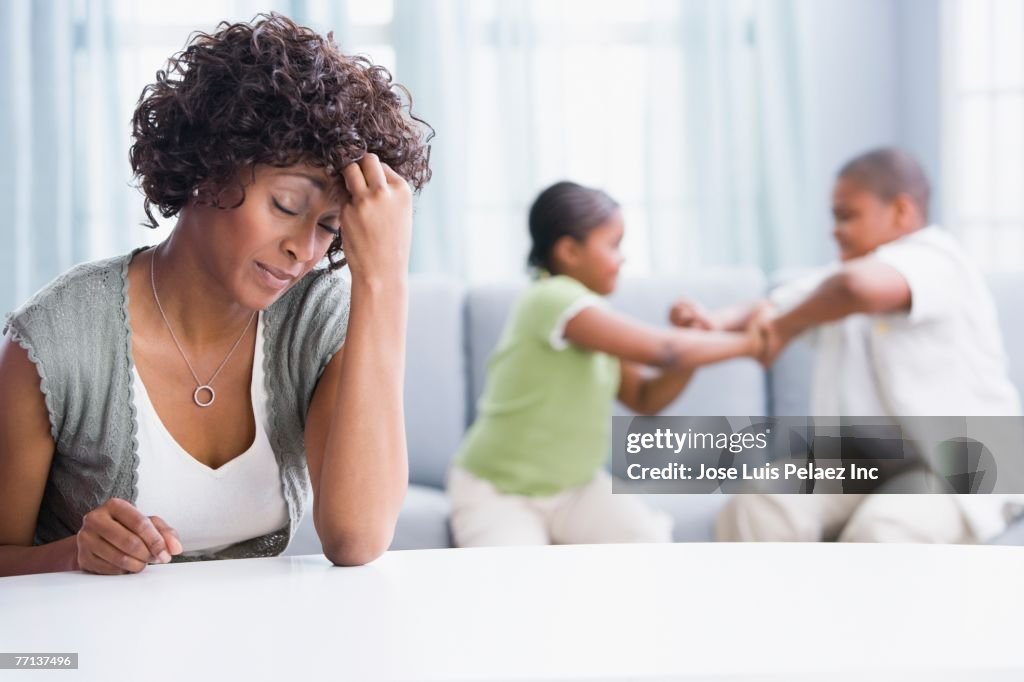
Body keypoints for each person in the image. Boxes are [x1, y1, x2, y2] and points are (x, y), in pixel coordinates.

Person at [0, 13, 432, 576]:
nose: (304, 249)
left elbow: (356, 537)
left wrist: (384, 278)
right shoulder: (58, 339)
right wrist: (75, 554)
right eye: (285, 206)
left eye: (329, 227)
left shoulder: (317, 318)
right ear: (209, 166)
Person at [672, 148, 1023, 544]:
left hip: (956, 464)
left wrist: (783, 327)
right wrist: (716, 321)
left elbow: (852, 291)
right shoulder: (837, 282)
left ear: (901, 212)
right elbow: (773, 305)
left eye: (846, 215)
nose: (834, 230)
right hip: (863, 461)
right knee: (761, 503)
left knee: (884, 530)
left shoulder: (937, 260)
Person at [447, 181, 764, 547]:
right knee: (519, 581)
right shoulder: (552, 300)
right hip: (498, 491)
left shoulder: (595, 319)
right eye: (613, 245)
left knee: (649, 544)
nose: (622, 258)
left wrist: (692, 346)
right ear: (569, 250)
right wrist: (751, 343)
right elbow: (665, 351)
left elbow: (646, 398)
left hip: (575, 489)